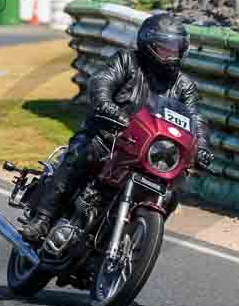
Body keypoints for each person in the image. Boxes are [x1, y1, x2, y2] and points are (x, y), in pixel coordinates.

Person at [20, 13, 213, 241]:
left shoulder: (184, 85)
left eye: (176, 48)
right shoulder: (128, 61)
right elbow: (102, 81)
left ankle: (133, 239)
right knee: (83, 153)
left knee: (172, 192)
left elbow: (195, 119)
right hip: (109, 136)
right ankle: (43, 218)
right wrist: (106, 105)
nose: (172, 55)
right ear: (148, 45)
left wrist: (201, 146)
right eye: (165, 48)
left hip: (149, 151)